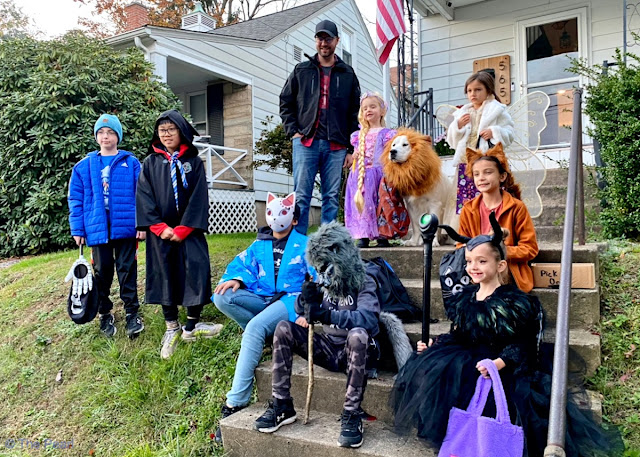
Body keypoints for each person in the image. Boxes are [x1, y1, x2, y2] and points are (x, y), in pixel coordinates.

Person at [391, 215, 623, 457]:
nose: (473, 267)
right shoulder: (465, 298)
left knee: (493, 400)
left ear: (500, 265)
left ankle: (489, 442)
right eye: (469, 261)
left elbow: (524, 343)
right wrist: (434, 345)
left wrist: (501, 362)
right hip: (468, 358)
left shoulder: (514, 302)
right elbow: (459, 335)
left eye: (482, 261)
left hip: (503, 365)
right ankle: (461, 438)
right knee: (434, 374)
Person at [253, 222, 379, 448]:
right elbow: (303, 310)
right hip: (329, 348)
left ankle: (352, 414)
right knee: (283, 328)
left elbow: (369, 320)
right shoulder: (324, 278)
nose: (323, 272)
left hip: (358, 352)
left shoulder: (364, 278)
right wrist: (305, 299)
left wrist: (328, 316)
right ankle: (282, 405)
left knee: (358, 335)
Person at [212, 192, 312, 443]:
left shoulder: (306, 244)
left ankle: (235, 402)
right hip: (263, 296)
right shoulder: (260, 243)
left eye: (284, 213)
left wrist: (311, 308)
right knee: (222, 297)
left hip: (289, 300)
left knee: (255, 327)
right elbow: (241, 265)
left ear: (295, 220)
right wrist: (237, 279)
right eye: (272, 212)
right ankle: (263, 334)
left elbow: (320, 276)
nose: (277, 218)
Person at [136, 109, 221, 359]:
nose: (166, 134)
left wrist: (183, 229)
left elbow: (198, 197)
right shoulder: (151, 163)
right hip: (160, 233)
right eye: (162, 130)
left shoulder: (193, 162)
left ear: (181, 131)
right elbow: (144, 197)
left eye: (171, 129)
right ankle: (171, 327)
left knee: (195, 269)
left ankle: (192, 326)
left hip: (189, 231)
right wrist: (160, 228)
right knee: (165, 274)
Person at [280, 19, 361, 234]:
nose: (324, 43)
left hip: (336, 145)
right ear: (316, 40)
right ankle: (298, 245)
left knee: (331, 198)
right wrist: (293, 132)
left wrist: (351, 148)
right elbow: (286, 101)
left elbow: (355, 113)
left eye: (328, 39)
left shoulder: (348, 74)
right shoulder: (301, 70)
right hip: (306, 142)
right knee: (301, 196)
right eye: (320, 38)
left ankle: (327, 245)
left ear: (337, 41)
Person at [68, 113, 145, 338]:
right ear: (96, 136)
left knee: (127, 270)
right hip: (97, 229)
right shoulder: (83, 166)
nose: (105, 136)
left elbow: (142, 195)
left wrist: (142, 224)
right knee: (102, 273)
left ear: (118, 136)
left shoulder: (131, 163)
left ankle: (132, 313)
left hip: (126, 228)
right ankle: (104, 313)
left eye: (110, 132)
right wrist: (78, 229)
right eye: (101, 132)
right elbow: (76, 199)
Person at [458, 143, 538, 292]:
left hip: (507, 273)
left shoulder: (516, 207)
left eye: (488, 172)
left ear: (502, 176)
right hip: (476, 273)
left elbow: (530, 249)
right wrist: (477, 254)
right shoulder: (468, 209)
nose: (481, 178)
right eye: (476, 174)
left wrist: (498, 252)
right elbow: (460, 245)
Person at [446, 71, 515, 214]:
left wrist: (494, 132)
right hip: (466, 162)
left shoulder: (497, 110)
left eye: (478, 90)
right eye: (469, 91)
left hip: (487, 161)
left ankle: (491, 222)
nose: (473, 94)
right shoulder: (462, 112)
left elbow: (509, 133)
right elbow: (452, 140)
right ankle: (469, 224)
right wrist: (457, 126)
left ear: (488, 90)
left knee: (488, 195)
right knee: (466, 200)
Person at [344, 91, 396, 248]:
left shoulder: (387, 134)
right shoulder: (358, 135)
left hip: (379, 174)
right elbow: (356, 155)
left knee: (380, 204)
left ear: (382, 111)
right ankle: (363, 235)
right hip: (360, 175)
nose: (368, 110)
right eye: (365, 108)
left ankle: (382, 236)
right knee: (364, 205)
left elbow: (389, 155)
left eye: (373, 107)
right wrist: (355, 155)